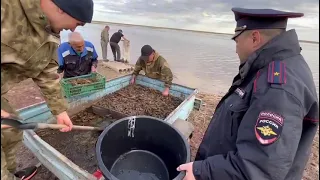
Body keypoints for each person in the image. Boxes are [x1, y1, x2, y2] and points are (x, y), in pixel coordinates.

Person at [177, 7, 319, 180]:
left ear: (254, 38)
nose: (236, 49)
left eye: (237, 41)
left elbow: (258, 169)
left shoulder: (278, 88)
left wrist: (202, 172)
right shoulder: (268, 69)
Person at [1, 0, 94, 179]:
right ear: (62, 8)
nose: (75, 30)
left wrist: (60, 110)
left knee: (11, 131)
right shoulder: (7, 9)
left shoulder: (51, 32)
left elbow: (47, 73)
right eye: (78, 23)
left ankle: (11, 173)